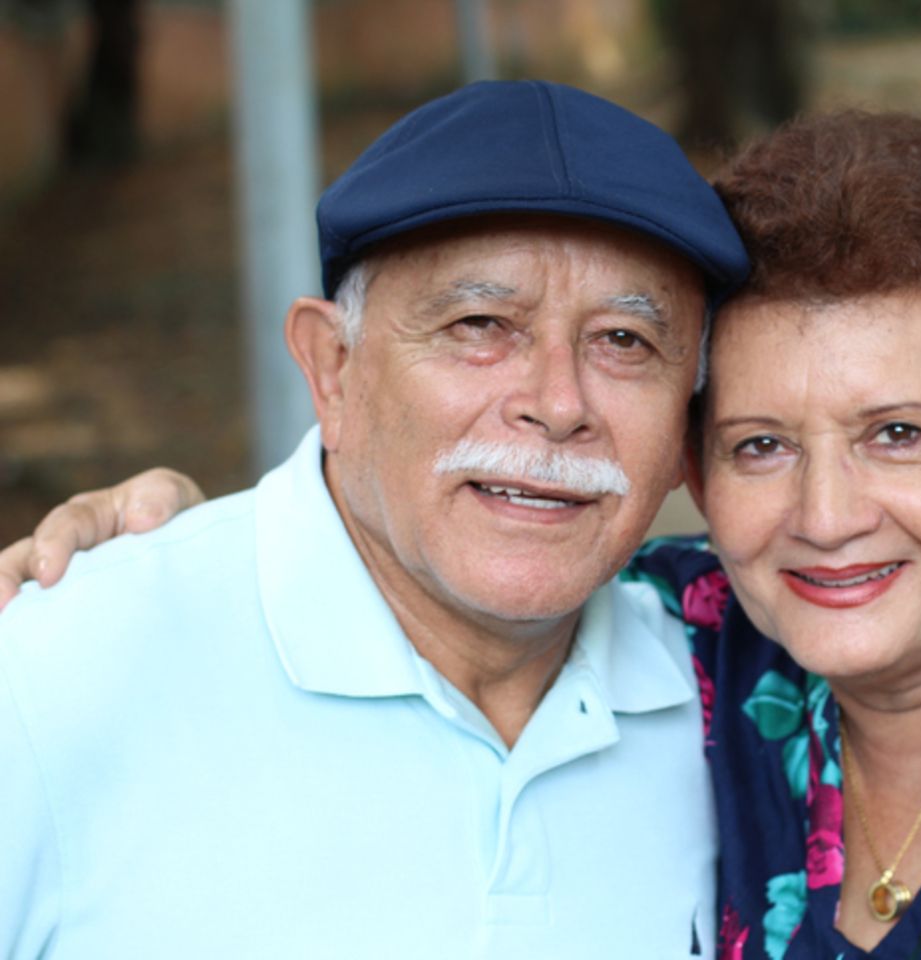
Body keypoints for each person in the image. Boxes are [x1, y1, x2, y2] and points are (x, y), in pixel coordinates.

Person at [6, 111, 921, 958]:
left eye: (899, 434)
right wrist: (152, 555)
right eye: (759, 445)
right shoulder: (711, 642)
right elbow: (419, 532)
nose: (825, 517)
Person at [0, 79, 749, 957]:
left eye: (626, 342)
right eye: (481, 324)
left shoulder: (728, 701)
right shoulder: (58, 678)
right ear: (333, 371)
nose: (557, 404)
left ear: (687, 426)